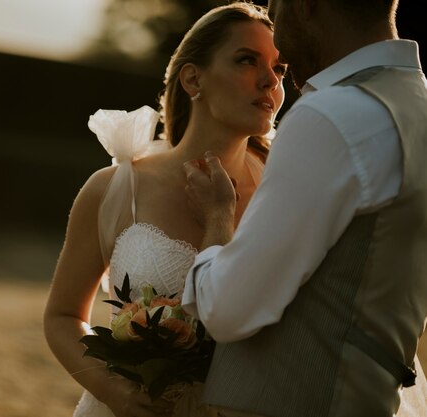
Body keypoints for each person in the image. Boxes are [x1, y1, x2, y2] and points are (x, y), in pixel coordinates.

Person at [182, 0, 427, 416]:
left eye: (276, 11)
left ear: (305, 5)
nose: (278, 41)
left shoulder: (334, 115)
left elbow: (228, 309)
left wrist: (218, 219)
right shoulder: (415, 107)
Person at [43, 3, 286, 417]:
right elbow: (63, 316)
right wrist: (112, 390)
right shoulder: (116, 189)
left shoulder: (285, 191)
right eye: (248, 60)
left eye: (280, 69)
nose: (270, 81)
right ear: (193, 78)